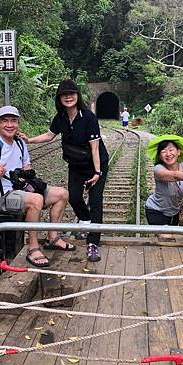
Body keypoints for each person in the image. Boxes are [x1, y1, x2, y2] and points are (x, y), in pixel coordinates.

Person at [0, 105, 73, 268]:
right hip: (1, 196)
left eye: (13, 121)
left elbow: (26, 167)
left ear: (18, 123)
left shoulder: (20, 143)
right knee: (36, 200)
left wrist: (26, 176)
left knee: (62, 194)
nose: (10, 124)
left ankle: (53, 238)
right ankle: (33, 248)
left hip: (20, 189)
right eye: (5, 121)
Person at [22, 80, 109, 262]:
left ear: (78, 96)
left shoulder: (88, 117)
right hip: (76, 165)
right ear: (59, 99)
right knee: (75, 197)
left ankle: (93, 243)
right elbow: (49, 135)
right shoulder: (60, 117)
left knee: (96, 202)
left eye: (71, 93)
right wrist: (29, 140)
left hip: (95, 165)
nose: (68, 97)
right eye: (64, 95)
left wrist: (97, 173)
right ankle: (86, 224)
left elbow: (95, 147)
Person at [145, 134, 183, 235]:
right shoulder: (158, 169)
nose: (168, 154)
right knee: (166, 238)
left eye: (171, 150)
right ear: (160, 156)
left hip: (174, 213)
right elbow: (174, 176)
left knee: (171, 239)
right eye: (163, 151)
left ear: (178, 152)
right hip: (156, 210)